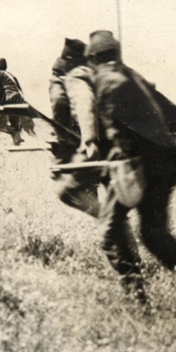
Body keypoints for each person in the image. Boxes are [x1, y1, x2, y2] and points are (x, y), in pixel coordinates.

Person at [86, 30, 176, 312]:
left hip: (139, 165)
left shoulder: (104, 81)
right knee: (154, 235)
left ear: (94, 59)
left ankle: (138, 303)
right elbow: (172, 112)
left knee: (109, 232)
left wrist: (114, 157)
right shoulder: (135, 78)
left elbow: (114, 135)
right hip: (166, 161)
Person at [48, 38, 102, 217]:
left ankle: (107, 219)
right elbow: (61, 105)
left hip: (86, 137)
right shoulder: (62, 81)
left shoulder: (80, 78)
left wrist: (90, 139)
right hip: (74, 136)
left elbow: (85, 106)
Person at [0, 58, 34, 145]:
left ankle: (15, 134)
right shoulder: (12, 76)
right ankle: (17, 141)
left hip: (10, 100)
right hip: (19, 100)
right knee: (15, 124)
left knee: (0, 126)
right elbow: (19, 89)